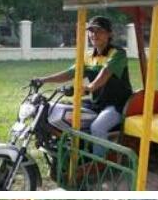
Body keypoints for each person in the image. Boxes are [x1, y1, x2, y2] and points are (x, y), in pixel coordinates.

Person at [32, 16, 133, 155]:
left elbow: (106, 72)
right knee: (65, 113)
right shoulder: (88, 55)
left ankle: (98, 164)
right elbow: (70, 73)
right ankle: (74, 152)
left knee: (98, 127)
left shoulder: (118, 53)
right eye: (91, 31)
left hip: (118, 104)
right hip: (97, 102)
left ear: (110, 34)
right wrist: (43, 80)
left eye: (99, 31)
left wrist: (90, 87)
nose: (94, 34)